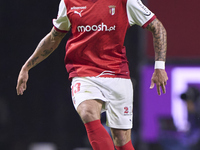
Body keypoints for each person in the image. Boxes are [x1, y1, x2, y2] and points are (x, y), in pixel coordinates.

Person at [16, 0, 168, 149]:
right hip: (84, 73)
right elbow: (53, 38)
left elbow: (158, 28)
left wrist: (159, 67)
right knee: (87, 112)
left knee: (121, 139)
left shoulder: (125, 2)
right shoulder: (68, 3)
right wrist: (27, 66)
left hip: (117, 74)